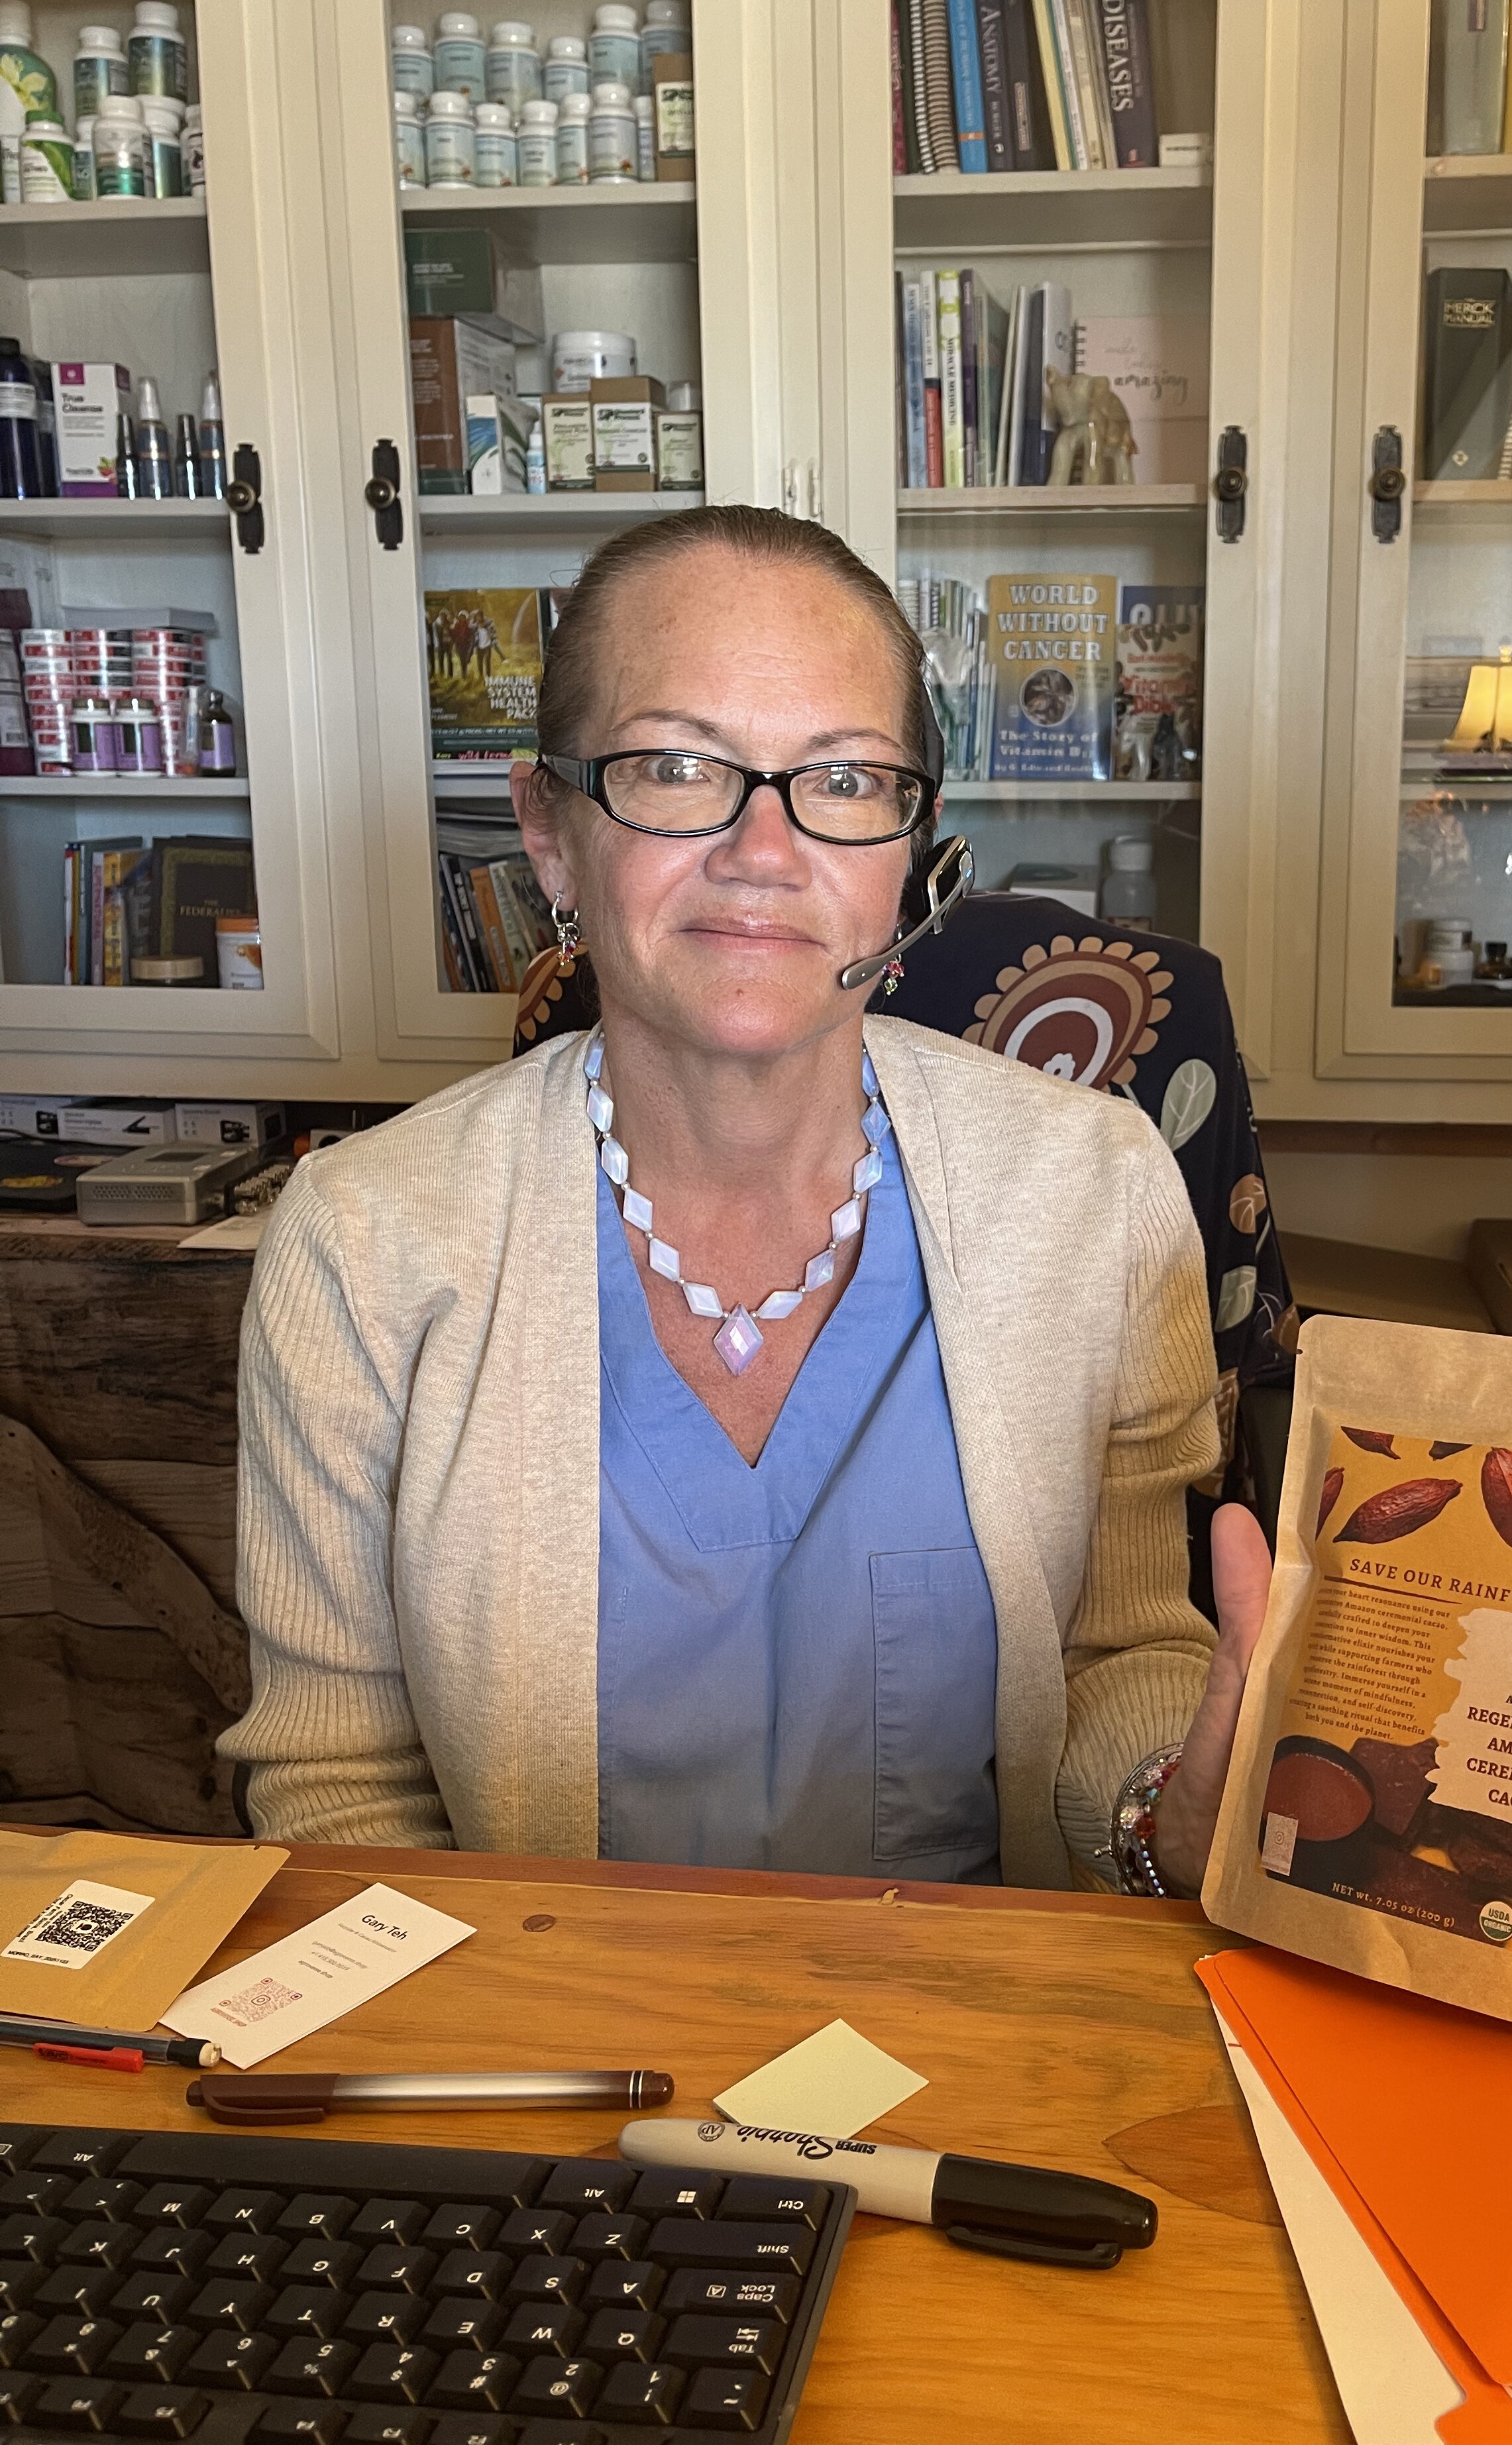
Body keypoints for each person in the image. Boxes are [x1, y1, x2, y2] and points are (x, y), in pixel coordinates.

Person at [223, 506, 1270, 1894]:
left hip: (979, 2012)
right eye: (675, 767)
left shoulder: (1097, 1191)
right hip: (541, 2018)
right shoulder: (358, 1242)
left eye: (844, 780)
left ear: (911, 849)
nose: (765, 851)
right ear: (550, 832)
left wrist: (1162, 1815)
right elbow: (337, 1782)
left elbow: (1117, 1655)